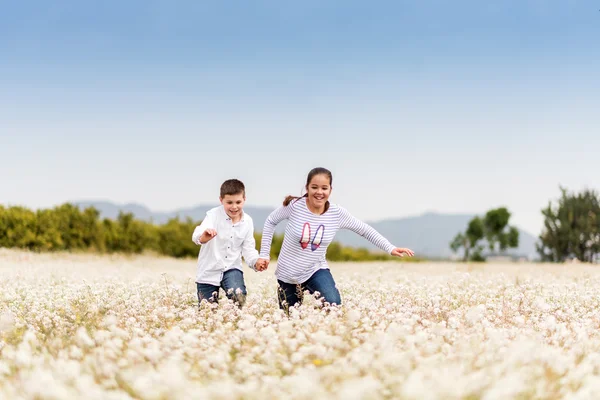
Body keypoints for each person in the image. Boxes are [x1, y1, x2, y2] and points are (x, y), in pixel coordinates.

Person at [257, 167, 414, 311]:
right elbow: (271, 221)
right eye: (314, 187)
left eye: (324, 188)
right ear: (307, 188)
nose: (319, 192)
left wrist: (390, 247)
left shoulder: (337, 213)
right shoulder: (295, 206)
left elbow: (364, 230)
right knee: (289, 316)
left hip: (315, 269)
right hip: (288, 273)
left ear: (330, 190)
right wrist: (264, 253)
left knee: (333, 304)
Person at [192, 179, 267, 308]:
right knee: (207, 310)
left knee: (239, 297)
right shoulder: (213, 215)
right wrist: (204, 236)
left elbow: (248, 249)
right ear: (221, 200)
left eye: (238, 202)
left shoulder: (247, 221)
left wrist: (255, 262)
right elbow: (197, 235)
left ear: (244, 199)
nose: (234, 207)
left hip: (232, 267)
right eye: (229, 202)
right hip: (208, 269)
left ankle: (237, 324)